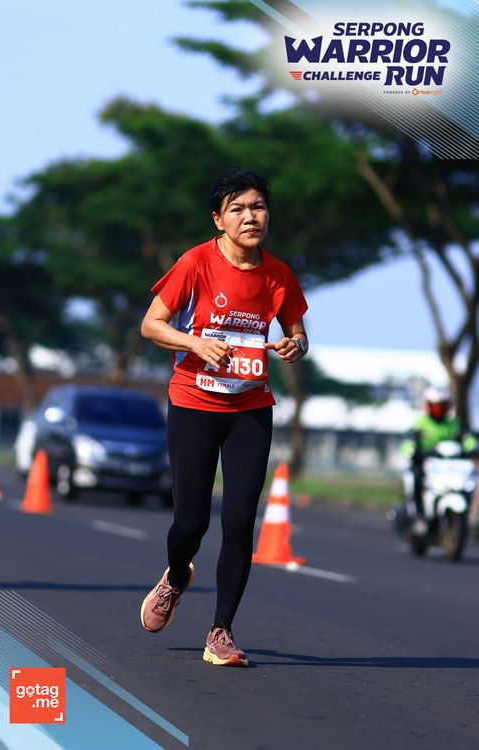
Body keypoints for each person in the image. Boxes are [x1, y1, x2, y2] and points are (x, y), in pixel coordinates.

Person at [139, 168, 308, 667]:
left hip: (250, 409)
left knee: (238, 521)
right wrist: (195, 343)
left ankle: (221, 632)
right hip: (193, 403)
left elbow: (298, 332)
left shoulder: (278, 274)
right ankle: (175, 576)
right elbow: (152, 324)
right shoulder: (195, 263)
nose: (251, 217)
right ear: (218, 219)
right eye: (238, 209)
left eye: (258, 207)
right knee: (190, 524)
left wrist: (294, 346)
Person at [401, 386, 477, 533]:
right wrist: (411, 450)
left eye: (441, 406)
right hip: (426, 463)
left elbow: (467, 439)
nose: (438, 409)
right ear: (428, 406)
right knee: (416, 477)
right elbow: (409, 441)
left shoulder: (454, 424)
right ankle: (419, 516)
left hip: (448, 465)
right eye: (435, 406)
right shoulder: (421, 423)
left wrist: (473, 447)